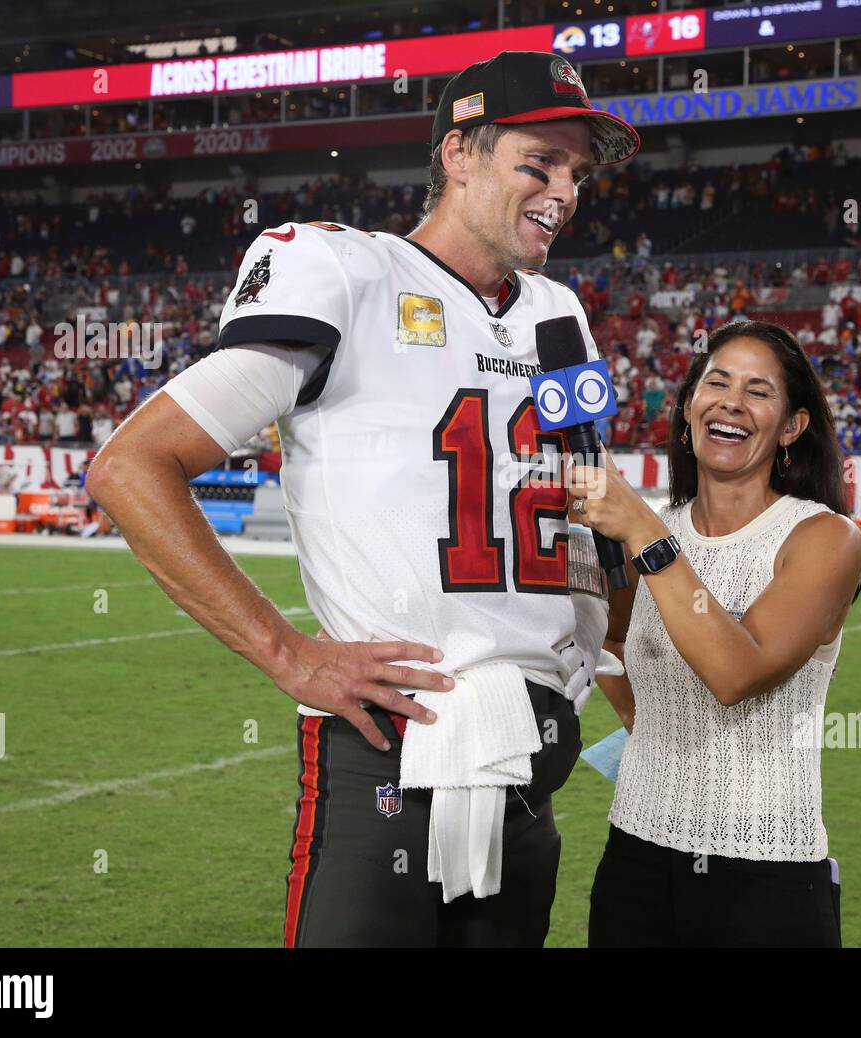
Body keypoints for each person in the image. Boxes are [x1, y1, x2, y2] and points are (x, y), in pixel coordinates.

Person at [88, 50, 642, 948]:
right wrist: (290, 654)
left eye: (577, 172)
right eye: (538, 163)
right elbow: (130, 467)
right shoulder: (347, 273)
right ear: (460, 153)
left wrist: (628, 695)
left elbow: (591, 528)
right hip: (392, 741)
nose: (564, 191)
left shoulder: (558, 316)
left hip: (535, 754)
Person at [567, 321, 861, 947]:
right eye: (718, 382)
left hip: (765, 873)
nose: (732, 401)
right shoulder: (654, 525)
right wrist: (651, 728)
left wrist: (645, 535)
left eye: (759, 391)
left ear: (791, 427)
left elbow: (738, 674)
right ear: (688, 408)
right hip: (634, 854)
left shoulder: (826, 538)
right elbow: (617, 646)